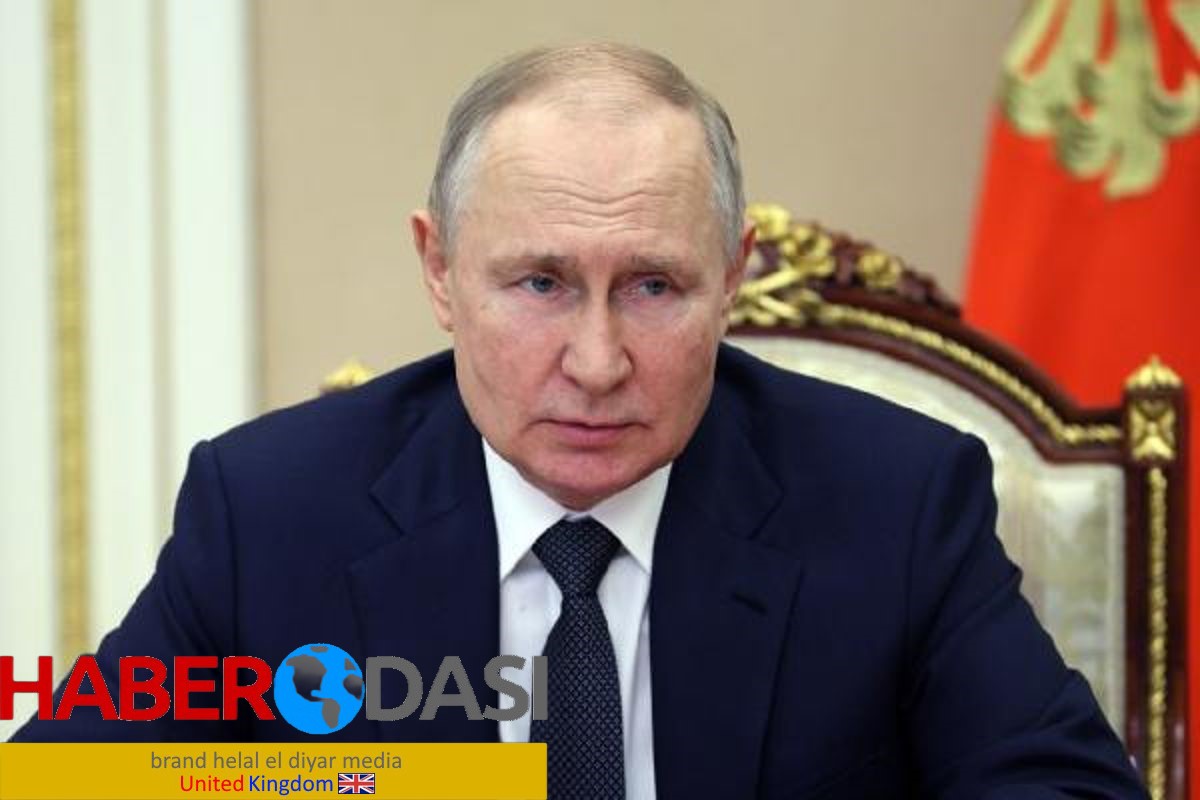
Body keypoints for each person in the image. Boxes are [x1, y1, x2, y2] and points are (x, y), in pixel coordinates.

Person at [13, 43, 1146, 799]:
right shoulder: (269, 513)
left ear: (733, 274)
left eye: (653, 285)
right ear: (440, 269)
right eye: (541, 283)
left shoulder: (896, 500)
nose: (598, 364)